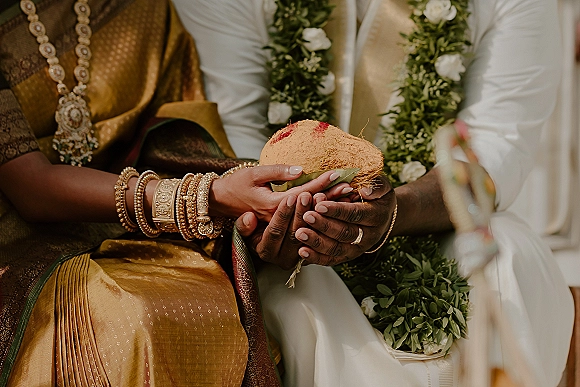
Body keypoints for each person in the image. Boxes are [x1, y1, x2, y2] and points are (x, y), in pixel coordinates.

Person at [175, 0, 575, 386]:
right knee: (298, 300)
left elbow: (497, 149)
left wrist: (392, 213)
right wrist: (278, 211)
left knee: (510, 256)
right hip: (296, 240)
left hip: (443, 217)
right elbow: (234, 127)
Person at [0, 0, 354, 385]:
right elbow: (29, 187)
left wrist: (266, 198)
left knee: (209, 305)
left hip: (137, 230)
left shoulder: (143, 8)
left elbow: (179, 126)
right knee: (136, 322)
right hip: (22, 243)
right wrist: (208, 196)